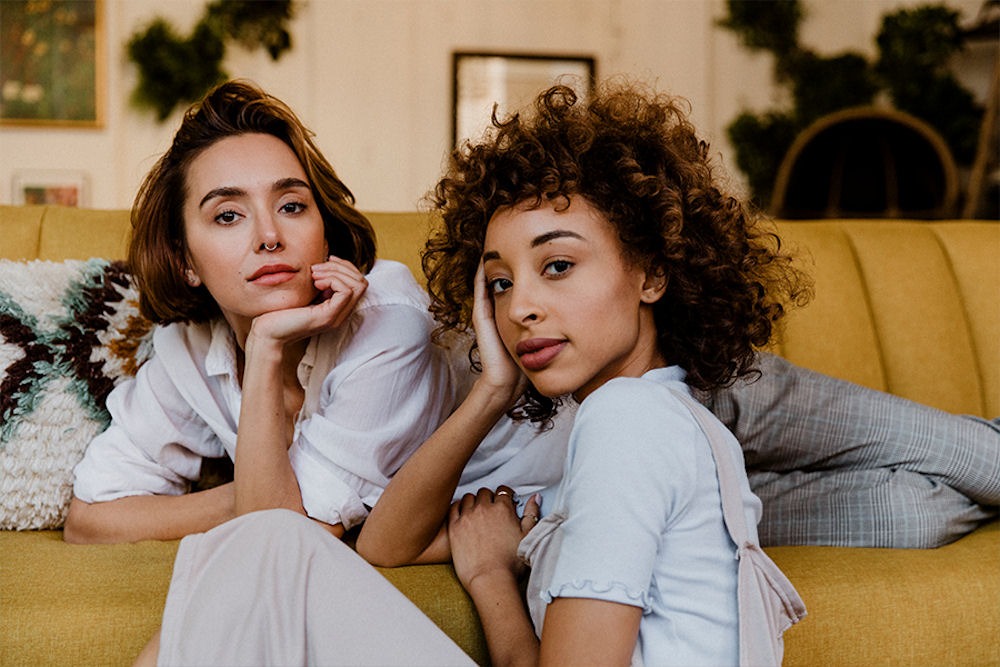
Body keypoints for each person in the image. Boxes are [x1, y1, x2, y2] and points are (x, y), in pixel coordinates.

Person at [62, 79, 459, 544]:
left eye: (291, 205)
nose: (269, 236)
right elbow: (89, 520)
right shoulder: (191, 347)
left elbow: (284, 536)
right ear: (185, 260)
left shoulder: (388, 320)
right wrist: (259, 488)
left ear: (325, 234)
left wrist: (265, 346)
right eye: (228, 215)